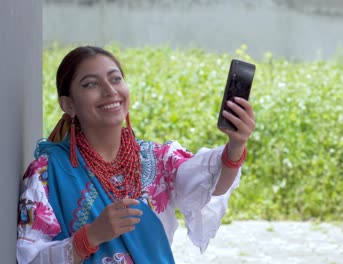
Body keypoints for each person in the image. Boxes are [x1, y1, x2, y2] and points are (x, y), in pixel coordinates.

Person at [16, 46, 255, 263]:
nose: (110, 91)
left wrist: (236, 146)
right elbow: (31, 258)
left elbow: (212, 185)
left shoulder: (158, 158)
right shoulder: (47, 173)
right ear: (69, 105)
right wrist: (89, 237)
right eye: (91, 84)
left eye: (116, 79)